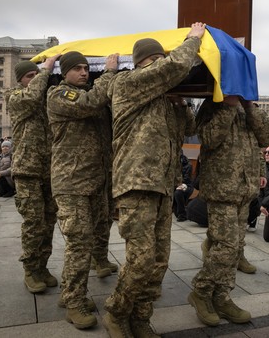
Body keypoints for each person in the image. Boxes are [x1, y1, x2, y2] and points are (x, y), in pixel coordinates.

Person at [101, 23, 205, 338]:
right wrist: (193, 40)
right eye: (155, 60)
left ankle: (140, 317)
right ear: (144, 63)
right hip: (136, 182)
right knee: (141, 257)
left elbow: (188, 128)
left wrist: (181, 103)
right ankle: (117, 313)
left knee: (159, 259)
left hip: (162, 186)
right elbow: (173, 66)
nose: (160, 65)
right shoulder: (127, 83)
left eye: (162, 58)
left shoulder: (162, 97)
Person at [188, 95, 269, 327]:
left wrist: (249, 106)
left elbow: (267, 138)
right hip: (221, 189)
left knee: (235, 247)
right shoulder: (212, 104)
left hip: (244, 190)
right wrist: (227, 107)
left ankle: (222, 297)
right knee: (226, 246)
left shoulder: (250, 108)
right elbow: (207, 139)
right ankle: (201, 291)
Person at [47, 51, 116, 330]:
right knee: (79, 243)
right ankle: (74, 301)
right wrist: (109, 73)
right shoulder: (59, 95)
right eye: (77, 68)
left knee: (91, 239)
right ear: (65, 73)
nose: (84, 72)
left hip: (95, 182)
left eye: (87, 68)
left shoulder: (91, 94)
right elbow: (90, 103)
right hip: (71, 183)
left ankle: (69, 292)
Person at [5, 58, 59, 295]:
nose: (36, 79)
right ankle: (30, 270)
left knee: (48, 221)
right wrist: (45, 71)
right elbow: (30, 98)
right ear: (20, 80)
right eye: (31, 76)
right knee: (33, 221)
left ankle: (42, 266)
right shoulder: (14, 96)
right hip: (27, 170)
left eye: (36, 75)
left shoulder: (46, 97)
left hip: (48, 169)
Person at [173, 152, 194, 222]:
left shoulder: (188, 165)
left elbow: (186, 180)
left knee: (178, 192)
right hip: (174, 185)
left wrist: (177, 184)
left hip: (186, 185)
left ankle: (182, 215)